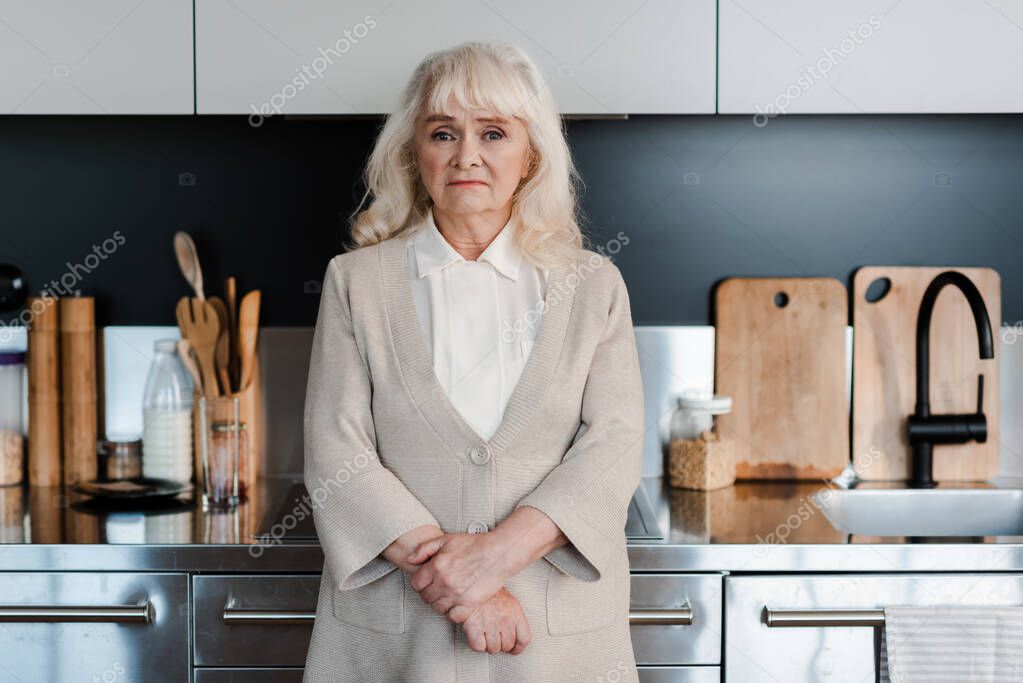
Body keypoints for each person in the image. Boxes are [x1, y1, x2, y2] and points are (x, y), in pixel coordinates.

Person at [302, 41, 645, 682]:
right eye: (442, 133)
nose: (467, 156)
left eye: (493, 132)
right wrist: (475, 588)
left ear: (531, 153)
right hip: (398, 636)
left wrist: (494, 558)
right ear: (413, 152)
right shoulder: (356, 283)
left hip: (555, 635)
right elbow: (335, 452)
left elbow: (615, 446)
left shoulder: (594, 285)